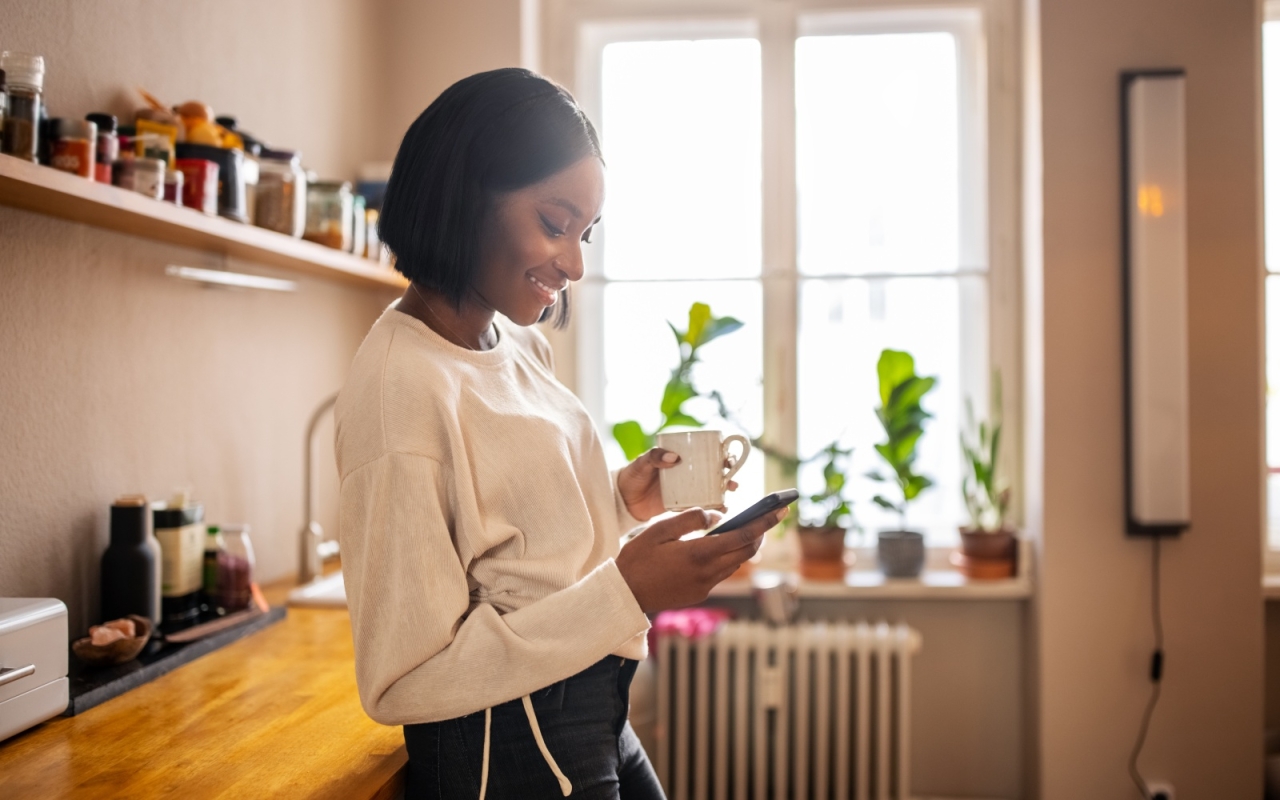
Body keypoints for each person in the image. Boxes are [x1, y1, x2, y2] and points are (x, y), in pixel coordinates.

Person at [335, 68, 787, 800]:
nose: (574, 263)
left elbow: (515, 553)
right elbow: (404, 680)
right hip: (505, 739)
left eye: (585, 233)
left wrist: (618, 503)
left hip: (587, 703)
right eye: (554, 222)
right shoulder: (401, 389)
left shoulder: (515, 344)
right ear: (465, 193)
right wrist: (628, 590)